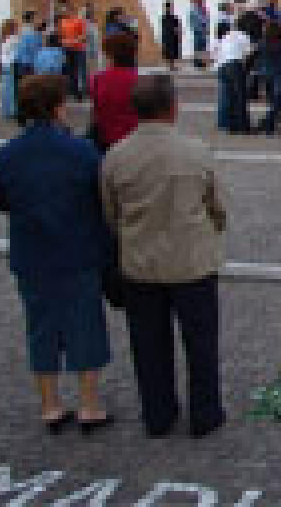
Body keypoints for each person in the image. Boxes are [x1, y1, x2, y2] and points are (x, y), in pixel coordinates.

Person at [100, 74, 227, 438]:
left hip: (141, 262)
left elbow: (110, 212)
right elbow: (217, 206)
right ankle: (205, 412)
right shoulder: (196, 152)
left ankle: (158, 414)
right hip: (191, 261)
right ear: (174, 108)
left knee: (148, 345)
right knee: (201, 343)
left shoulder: (117, 156)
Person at [0, 74, 113, 434]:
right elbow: (99, 197)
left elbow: (0, 201)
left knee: (40, 327)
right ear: (57, 106)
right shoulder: (82, 151)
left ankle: (50, 405)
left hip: (33, 252)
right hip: (78, 248)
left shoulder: (6, 155)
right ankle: (89, 405)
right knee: (85, 324)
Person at [89, 33, 139, 153]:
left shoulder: (97, 79)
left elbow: (96, 111)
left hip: (106, 139)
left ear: (110, 55)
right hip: (133, 140)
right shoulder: (140, 80)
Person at [213, 17, 253, 134]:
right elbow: (248, 54)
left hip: (222, 66)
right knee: (240, 96)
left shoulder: (226, 36)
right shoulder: (244, 36)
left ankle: (228, 125)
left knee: (227, 96)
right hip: (234, 65)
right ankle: (242, 125)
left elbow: (218, 53)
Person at [254, 22, 281, 136]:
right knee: (277, 101)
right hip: (279, 74)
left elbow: (258, 58)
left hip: (265, 74)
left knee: (273, 101)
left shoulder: (262, 43)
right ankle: (268, 123)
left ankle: (268, 124)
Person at [57, 6, 88, 101]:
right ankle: (73, 91)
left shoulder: (79, 21)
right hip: (67, 49)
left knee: (79, 70)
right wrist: (63, 42)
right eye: (62, 11)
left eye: (65, 10)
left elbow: (83, 36)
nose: (63, 13)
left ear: (71, 11)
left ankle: (81, 92)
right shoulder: (62, 22)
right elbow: (60, 36)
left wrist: (73, 41)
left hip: (78, 49)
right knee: (70, 71)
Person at [0, 19, 20, 121]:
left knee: (5, 89)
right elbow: (18, 51)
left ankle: (6, 111)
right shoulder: (14, 38)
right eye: (16, 26)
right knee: (12, 89)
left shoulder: (2, 39)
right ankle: (13, 111)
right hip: (11, 64)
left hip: (4, 65)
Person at [189, 0, 210, 69]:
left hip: (203, 30)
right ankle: (198, 62)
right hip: (198, 31)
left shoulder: (202, 8)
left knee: (203, 48)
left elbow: (207, 19)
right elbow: (199, 20)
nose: (202, 0)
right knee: (198, 47)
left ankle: (202, 62)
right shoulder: (193, 9)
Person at [161, 0, 182, 73]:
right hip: (168, 36)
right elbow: (165, 28)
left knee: (173, 51)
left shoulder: (174, 17)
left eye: (171, 7)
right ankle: (171, 66)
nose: (170, 8)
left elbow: (178, 27)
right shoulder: (165, 18)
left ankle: (172, 66)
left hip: (173, 36)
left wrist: (179, 34)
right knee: (170, 51)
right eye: (170, 7)